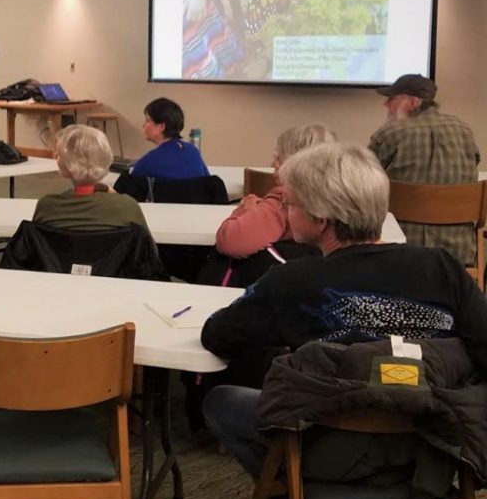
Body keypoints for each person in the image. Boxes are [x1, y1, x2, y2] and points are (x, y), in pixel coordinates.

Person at [200, 143, 487, 476]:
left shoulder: (293, 281)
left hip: (331, 445)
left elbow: (216, 336)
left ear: (320, 219)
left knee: (219, 401)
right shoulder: (443, 266)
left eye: (290, 204)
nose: (287, 212)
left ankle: (295, 483)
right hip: (439, 447)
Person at [369, 74, 480, 266]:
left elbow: (363, 180)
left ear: (413, 102)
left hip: (401, 248)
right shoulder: (464, 130)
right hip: (458, 251)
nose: (386, 105)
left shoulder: (390, 133)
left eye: (392, 99)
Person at [214, 123, 336, 258]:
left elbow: (230, 242)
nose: (272, 165)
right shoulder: (342, 199)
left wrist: (245, 209)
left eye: (278, 158)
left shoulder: (284, 200)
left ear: (295, 161)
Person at [33, 124, 148, 231]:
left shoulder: (47, 207)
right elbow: (145, 248)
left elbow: (35, 246)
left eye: (58, 154)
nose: (55, 157)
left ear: (69, 164)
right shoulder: (128, 206)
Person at [130, 97, 208, 179]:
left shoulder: (147, 163)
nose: (143, 125)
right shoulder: (193, 152)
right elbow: (208, 184)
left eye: (147, 120)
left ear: (161, 127)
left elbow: (129, 189)